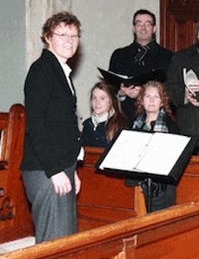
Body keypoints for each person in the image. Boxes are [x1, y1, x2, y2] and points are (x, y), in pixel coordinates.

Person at [21, 12, 83, 243]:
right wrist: (56, 171)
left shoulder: (59, 71)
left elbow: (60, 127)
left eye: (74, 36)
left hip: (59, 167)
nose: (70, 41)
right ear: (48, 37)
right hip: (47, 171)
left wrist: (71, 168)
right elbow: (36, 127)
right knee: (53, 243)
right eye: (63, 34)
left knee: (65, 242)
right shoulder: (42, 70)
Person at [109, 9, 173, 124]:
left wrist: (144, 92)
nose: (143, 28)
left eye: (148, 24)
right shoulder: (120, 55)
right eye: (139, 24)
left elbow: (172, 89)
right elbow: (109, 88)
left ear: (154, 29)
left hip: (156, 119)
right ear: (133, 28)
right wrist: (123, 92)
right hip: (124, 117)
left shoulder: (168, 57)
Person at [128, 81, 179, 212]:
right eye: (147, 96)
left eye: (156, 97)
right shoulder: (135, 124)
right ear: (141, 100)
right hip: (138, 182)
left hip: (161, 186)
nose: (151, 101)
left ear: (162, 101)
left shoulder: (171, 126)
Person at [81, 81, 128, 147]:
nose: (97, 102)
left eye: (102, 98)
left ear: (111, 101)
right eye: (94, 98)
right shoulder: (88, 124)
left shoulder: (119, 125)